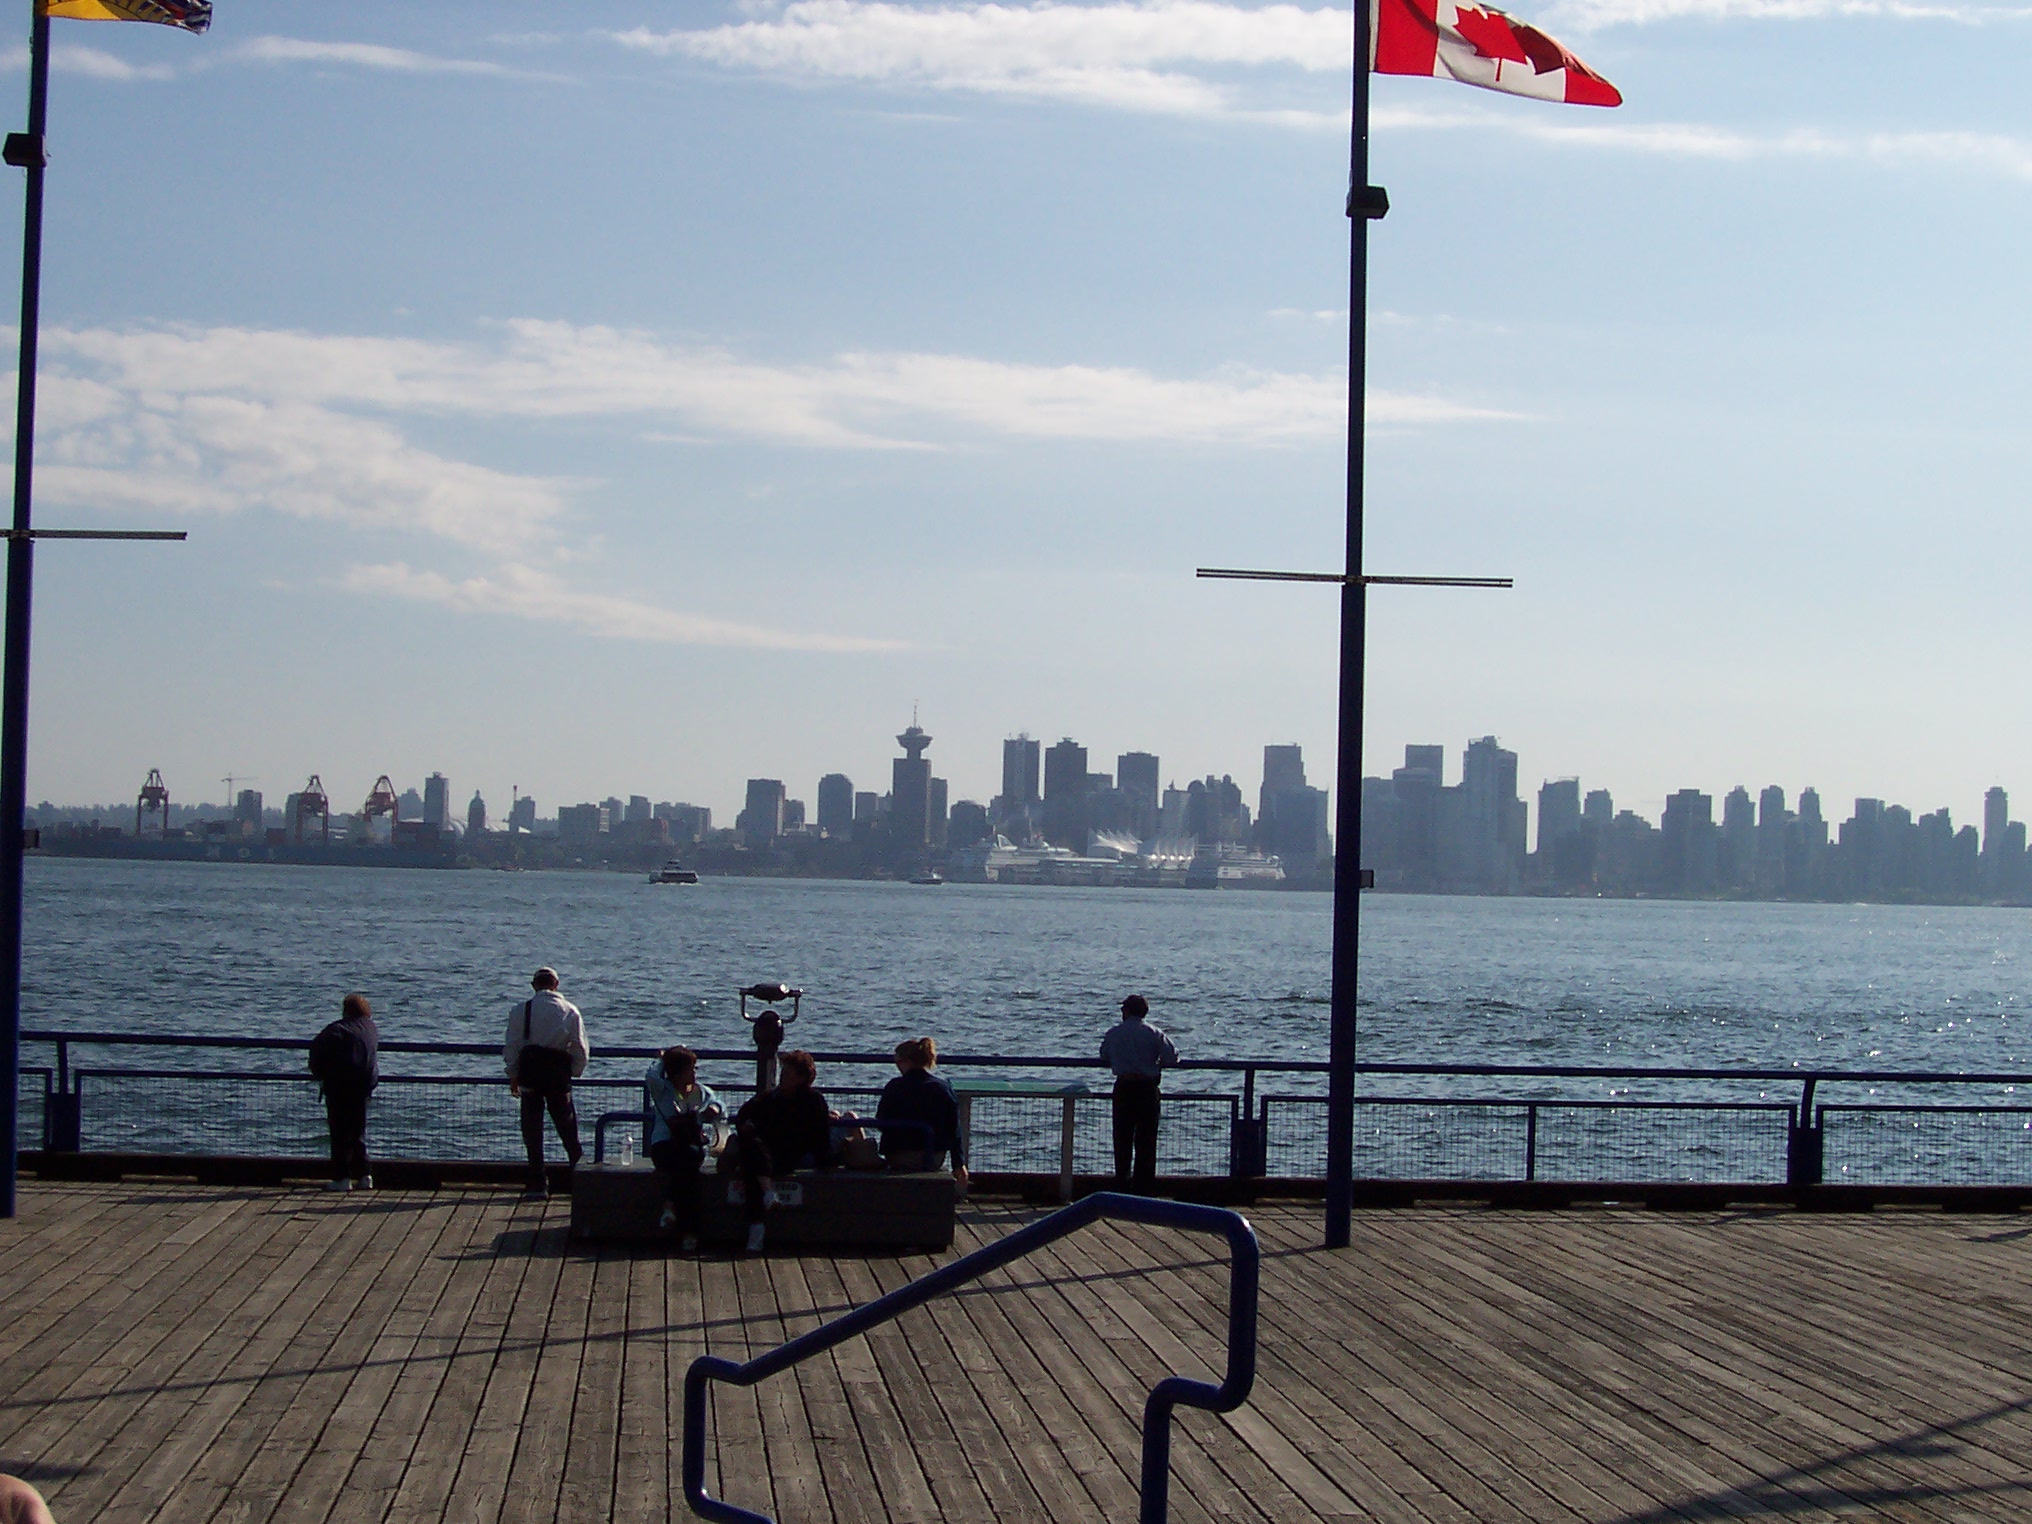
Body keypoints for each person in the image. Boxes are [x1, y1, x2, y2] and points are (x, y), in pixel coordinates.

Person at [731, 1048, 832, 1253]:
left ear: (801, 1078)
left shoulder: (813, 1100)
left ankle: (756, 1227)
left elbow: (820, 1134)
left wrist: (825, 1161)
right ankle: (767, 1195)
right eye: (782, 1073)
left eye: (787, 1074)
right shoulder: (770, 1097)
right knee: (752, 1154)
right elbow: (744, 1115)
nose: (782, 1077)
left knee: (753, 1165)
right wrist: (746, 1124)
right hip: (767, 1153)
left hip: (793, 1152)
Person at [504, 966, 589, 1198]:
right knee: (568, 1130)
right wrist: (574, 1071)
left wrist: (513, 1074)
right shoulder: (569, 1010)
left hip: (530, 1077)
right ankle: (580, 1181)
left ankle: (538, 1184)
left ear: (534, 986)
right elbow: (580, 1047)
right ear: (556, 984)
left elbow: (512, 1046)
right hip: (557, 1079)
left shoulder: (521, 1010)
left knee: (532, 1132)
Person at [644, 1045, 721, 1249]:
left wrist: (714, 1108)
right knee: (690, 1172)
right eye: (690, 1068)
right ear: (677, 1072)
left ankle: (669, 1207)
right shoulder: (663, 1090)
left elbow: (718, 1104)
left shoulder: (699, 1091)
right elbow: (651, 1076)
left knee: (687, 1164)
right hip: (665, 1147)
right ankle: (690, 1232)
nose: (694, 1073)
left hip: (688, 1147)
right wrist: (662, 1060)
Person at [1099, 994, 1177, 1192]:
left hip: (1124, 1088)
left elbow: (1104, 1055)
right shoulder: (1154, 1033)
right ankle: (1144, 1188)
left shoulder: (1114, 1033)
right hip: (1146, 1089)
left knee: (1122, 1139)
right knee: (1147, 1141)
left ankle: (1122, 1186)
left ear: (1126, 1011)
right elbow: (1171, 1057)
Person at [875, 1036, 967, 1190]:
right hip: (933, 1156)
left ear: (906, 1062)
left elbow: (881, 1121)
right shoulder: (942, 1088)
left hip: (898, 1155)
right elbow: (953, 1130)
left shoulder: (894, 1086)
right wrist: (959, 1163)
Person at [308, 992, 379, 1192]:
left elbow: (317, 1057)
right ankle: (365, 1175)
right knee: (358, 1133)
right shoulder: (370, 1028)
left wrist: (323, 1074)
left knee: (339, 1134)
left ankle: (342, 1177)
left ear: (346, 1010)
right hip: (363, 1086)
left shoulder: (337, 1030)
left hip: (340, 1088)